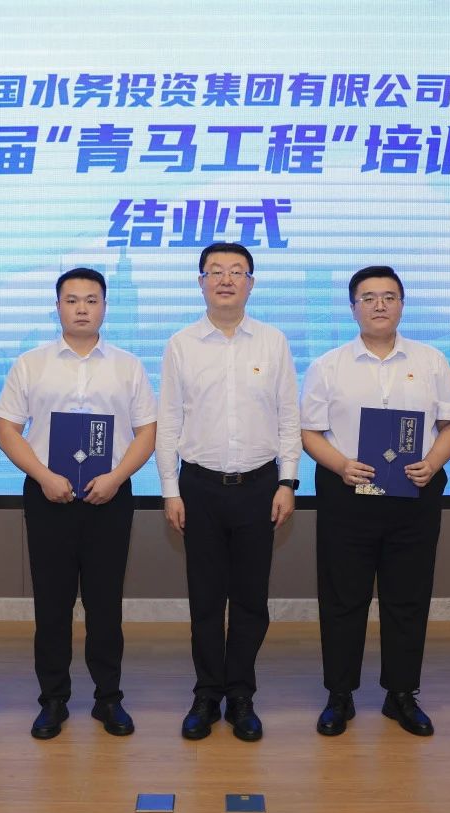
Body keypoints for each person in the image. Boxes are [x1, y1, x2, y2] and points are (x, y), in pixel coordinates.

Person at [300, 265, 450, 737]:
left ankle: (402, 694)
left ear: (402, 305)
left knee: (407, 598)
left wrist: (433, 461)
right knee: (342, 599)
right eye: (368, 297)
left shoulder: (431, 360)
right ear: (353, 307)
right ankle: (340, 695)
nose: (379, 305)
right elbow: (308, 431)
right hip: (347, 494)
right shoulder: (329, 365)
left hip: (414, 495)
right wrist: (340, 465)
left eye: (389, 297)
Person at [0, 268, 156, 740]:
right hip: (48, 496)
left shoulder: (127, 366)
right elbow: (7, 429)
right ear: (57, 307)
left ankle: (109, 698)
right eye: (71, 300)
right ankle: (53, 700)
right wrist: (43, 476)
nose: (81, 308)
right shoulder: (31, 364)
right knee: (52, 603)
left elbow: (147, 431)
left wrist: (116, 478)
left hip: (110, 496)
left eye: (91, 299)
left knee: (106, 604)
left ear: (105, 306)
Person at [156, 242, 300, 742]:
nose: (225, 279)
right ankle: (206, 694)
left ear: (251, 283)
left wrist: (287, 482)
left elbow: (289, 417)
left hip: (259, 487)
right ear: (200, 282)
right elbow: (169, 422)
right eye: (215, 271)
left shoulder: (273, 342)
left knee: (250, 600)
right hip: (199, 487)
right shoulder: (181, 344)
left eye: (236, 271)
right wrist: (170, 491)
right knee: (204, 599)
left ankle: (241, 694)